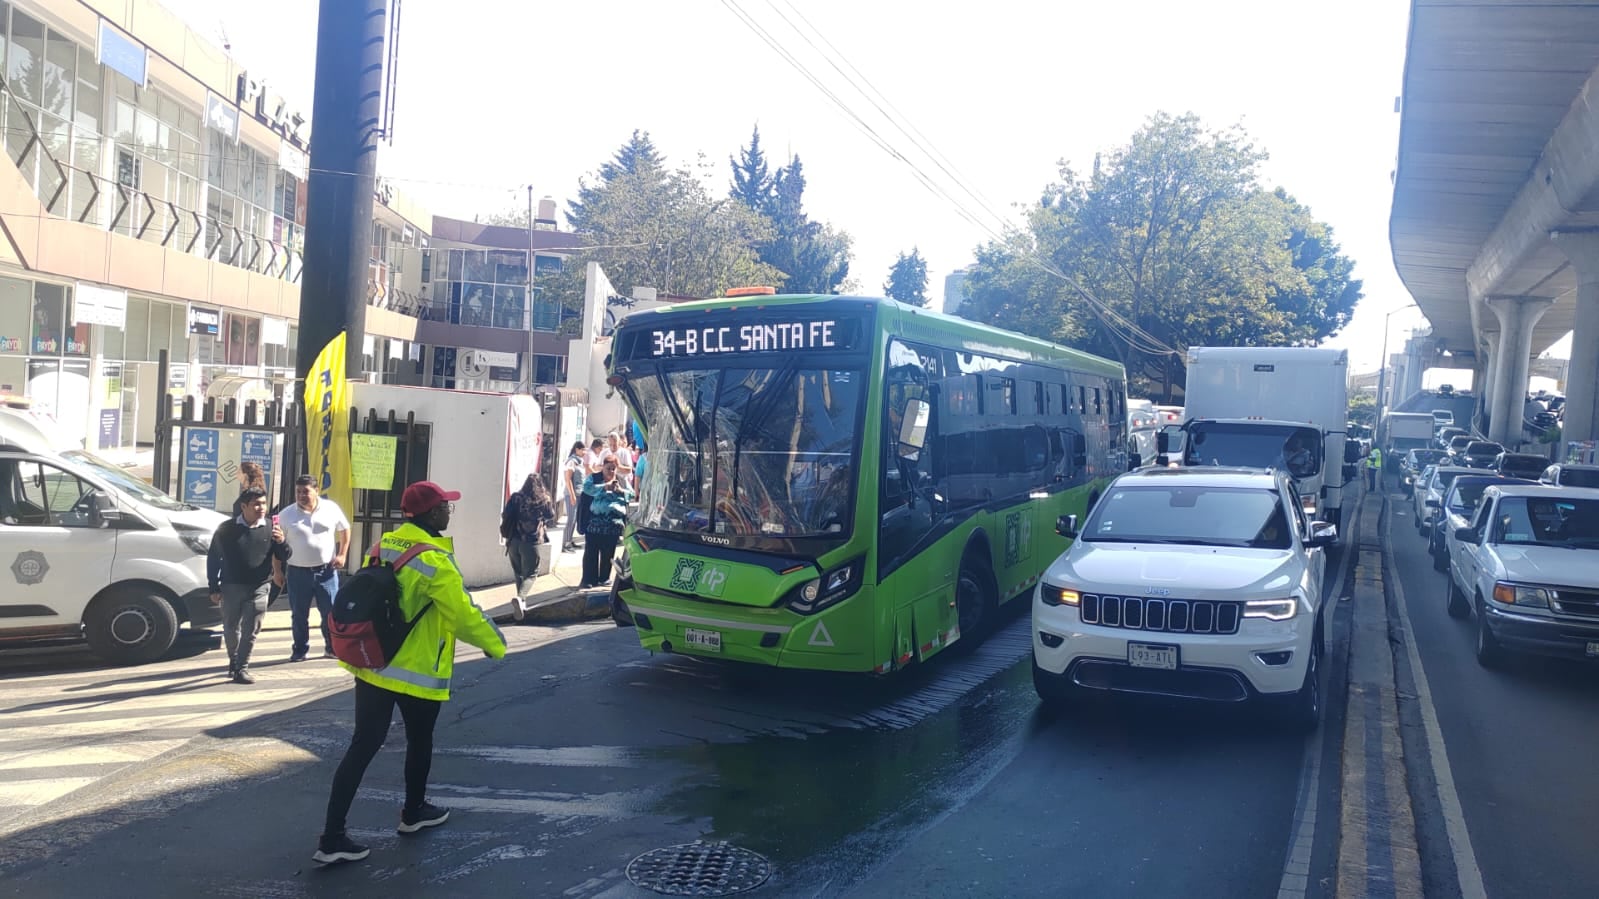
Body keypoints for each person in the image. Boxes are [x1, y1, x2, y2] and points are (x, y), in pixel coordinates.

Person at [314, 480, 508, 866]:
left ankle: (332, 837)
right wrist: (496, 644)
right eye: (444, 507)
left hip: (373, 663)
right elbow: (462, 614)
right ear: (429, 513)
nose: (448, 512)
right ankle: (413, 812)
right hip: (416, 671)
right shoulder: (435, 560)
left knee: (362, 746)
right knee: (420, 741)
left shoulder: (382, 544)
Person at [207, 487, 291, 684]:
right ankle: (234, 659)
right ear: (244, 506)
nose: (261, 507)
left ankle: (242, 667)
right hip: (231, 586)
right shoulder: (226, 529)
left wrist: (282, 542)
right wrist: (213, 586)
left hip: (260, 586)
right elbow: (213, 558)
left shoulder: (271, 527)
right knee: (230, 628)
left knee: (251, 629)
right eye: (256, 504)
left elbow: (285, 556)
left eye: (263, 503)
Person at [277, 475, 351, 661]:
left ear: (317, 491)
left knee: (330, 612)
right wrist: (277, 571)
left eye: (306, 491)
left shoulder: (331, 508)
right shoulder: (286, 514)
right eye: (298, 492)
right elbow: (276, 546)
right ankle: (300, 649)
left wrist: (342, 554)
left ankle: (331, 647)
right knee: (299, 614)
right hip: (297, 572)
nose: (301, 495)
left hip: (326, 571)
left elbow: (345, 529)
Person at [501, 473, 556, 620]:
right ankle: (521, 598)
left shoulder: (515, 498)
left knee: (518, 572)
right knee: (531, 574)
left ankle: (521, 604)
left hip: (513, 541)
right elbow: (551, 515)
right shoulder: (543, 499)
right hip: (531, 542)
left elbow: (505, 514)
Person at [580, 457, 632, 590]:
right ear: (603, 467)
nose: (611, 471)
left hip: (613, 524)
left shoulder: (621, 480)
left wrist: (621, 491)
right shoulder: (594, 478)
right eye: (608, 468)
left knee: (608, 553)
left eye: (614, 468)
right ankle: (588, 579)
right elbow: (586, 488)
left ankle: (604, 578)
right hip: (595, 522)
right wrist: (604, 487)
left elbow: (632, 494)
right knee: (591, 552)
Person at [560, 441, 587, 553]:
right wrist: (572, 495)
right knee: (571, 519)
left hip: (579, 493)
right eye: (582, 449)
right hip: (572, 494)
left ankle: (570, 541)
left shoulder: (579, 462)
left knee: (575, 519)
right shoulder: (572, 461)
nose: (584, 452)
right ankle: (566, 544)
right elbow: (568, 479)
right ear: (577, 449)